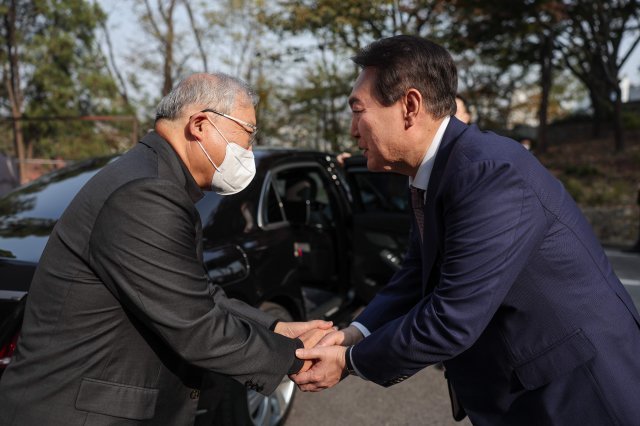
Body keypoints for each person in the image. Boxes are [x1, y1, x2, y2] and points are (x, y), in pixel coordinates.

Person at [291, 35, 640, 425]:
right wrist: (356, 332)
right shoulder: (438, 170)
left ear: (409, 106)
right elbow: (415, 273)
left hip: (576, 394)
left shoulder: (488, 173)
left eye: (359, 111)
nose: (353, 131)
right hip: (526, 390)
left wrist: (348, 361)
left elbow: (452, 317)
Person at [0, 73, 332, 426]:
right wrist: (298, 358)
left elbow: (197, 295)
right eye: (247, 134)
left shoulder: (154, 178)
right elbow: (195, 326)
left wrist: (276, 328)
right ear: (201, 125)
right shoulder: (146, 191)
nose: (248, 151)